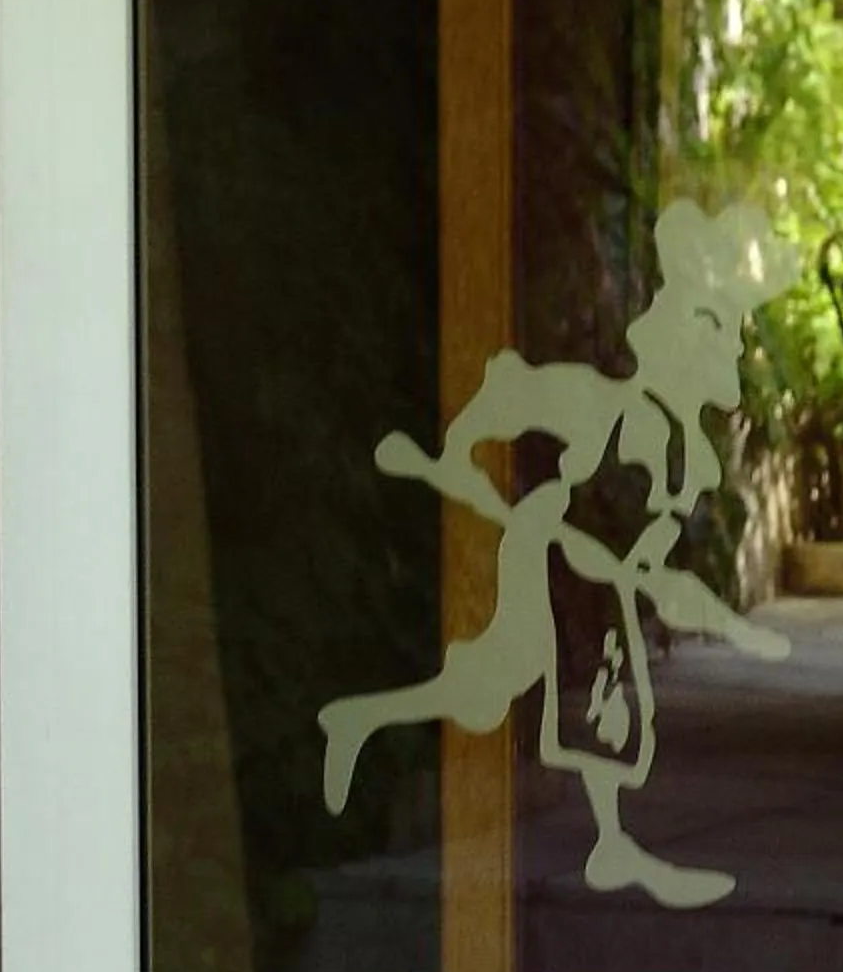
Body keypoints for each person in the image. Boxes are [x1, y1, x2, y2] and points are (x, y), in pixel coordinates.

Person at [318, 199, 794, 907]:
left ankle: (356, 719)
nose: (725, 350)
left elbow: (650, 565)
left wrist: (725, 621)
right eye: (712, 332)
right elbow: (514, 390)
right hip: (553, 557)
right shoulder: (625, 415)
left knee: (493, 688)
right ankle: (612, 848)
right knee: (595, 711)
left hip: (594, 570)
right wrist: (457, 454)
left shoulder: (690, 455)